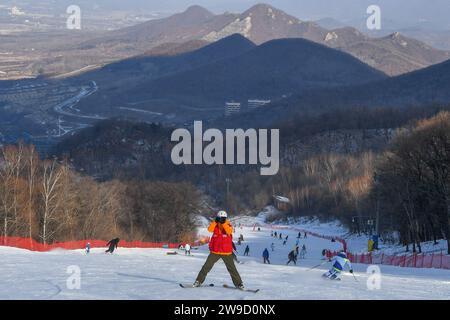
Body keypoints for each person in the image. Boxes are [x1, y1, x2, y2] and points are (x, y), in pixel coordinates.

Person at [193, 211, 244, 290]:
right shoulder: (215, 225)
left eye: (223, 218)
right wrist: (215, 222)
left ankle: (239, 284)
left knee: (232, 268)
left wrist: (223, 223)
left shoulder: (228, 225)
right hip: (215, 251)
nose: (221, 219)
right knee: (206, 267)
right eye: (219, 218)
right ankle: (198, 281)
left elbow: (229, 231)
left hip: (226, 252)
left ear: (225, 218)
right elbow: (209, 229)